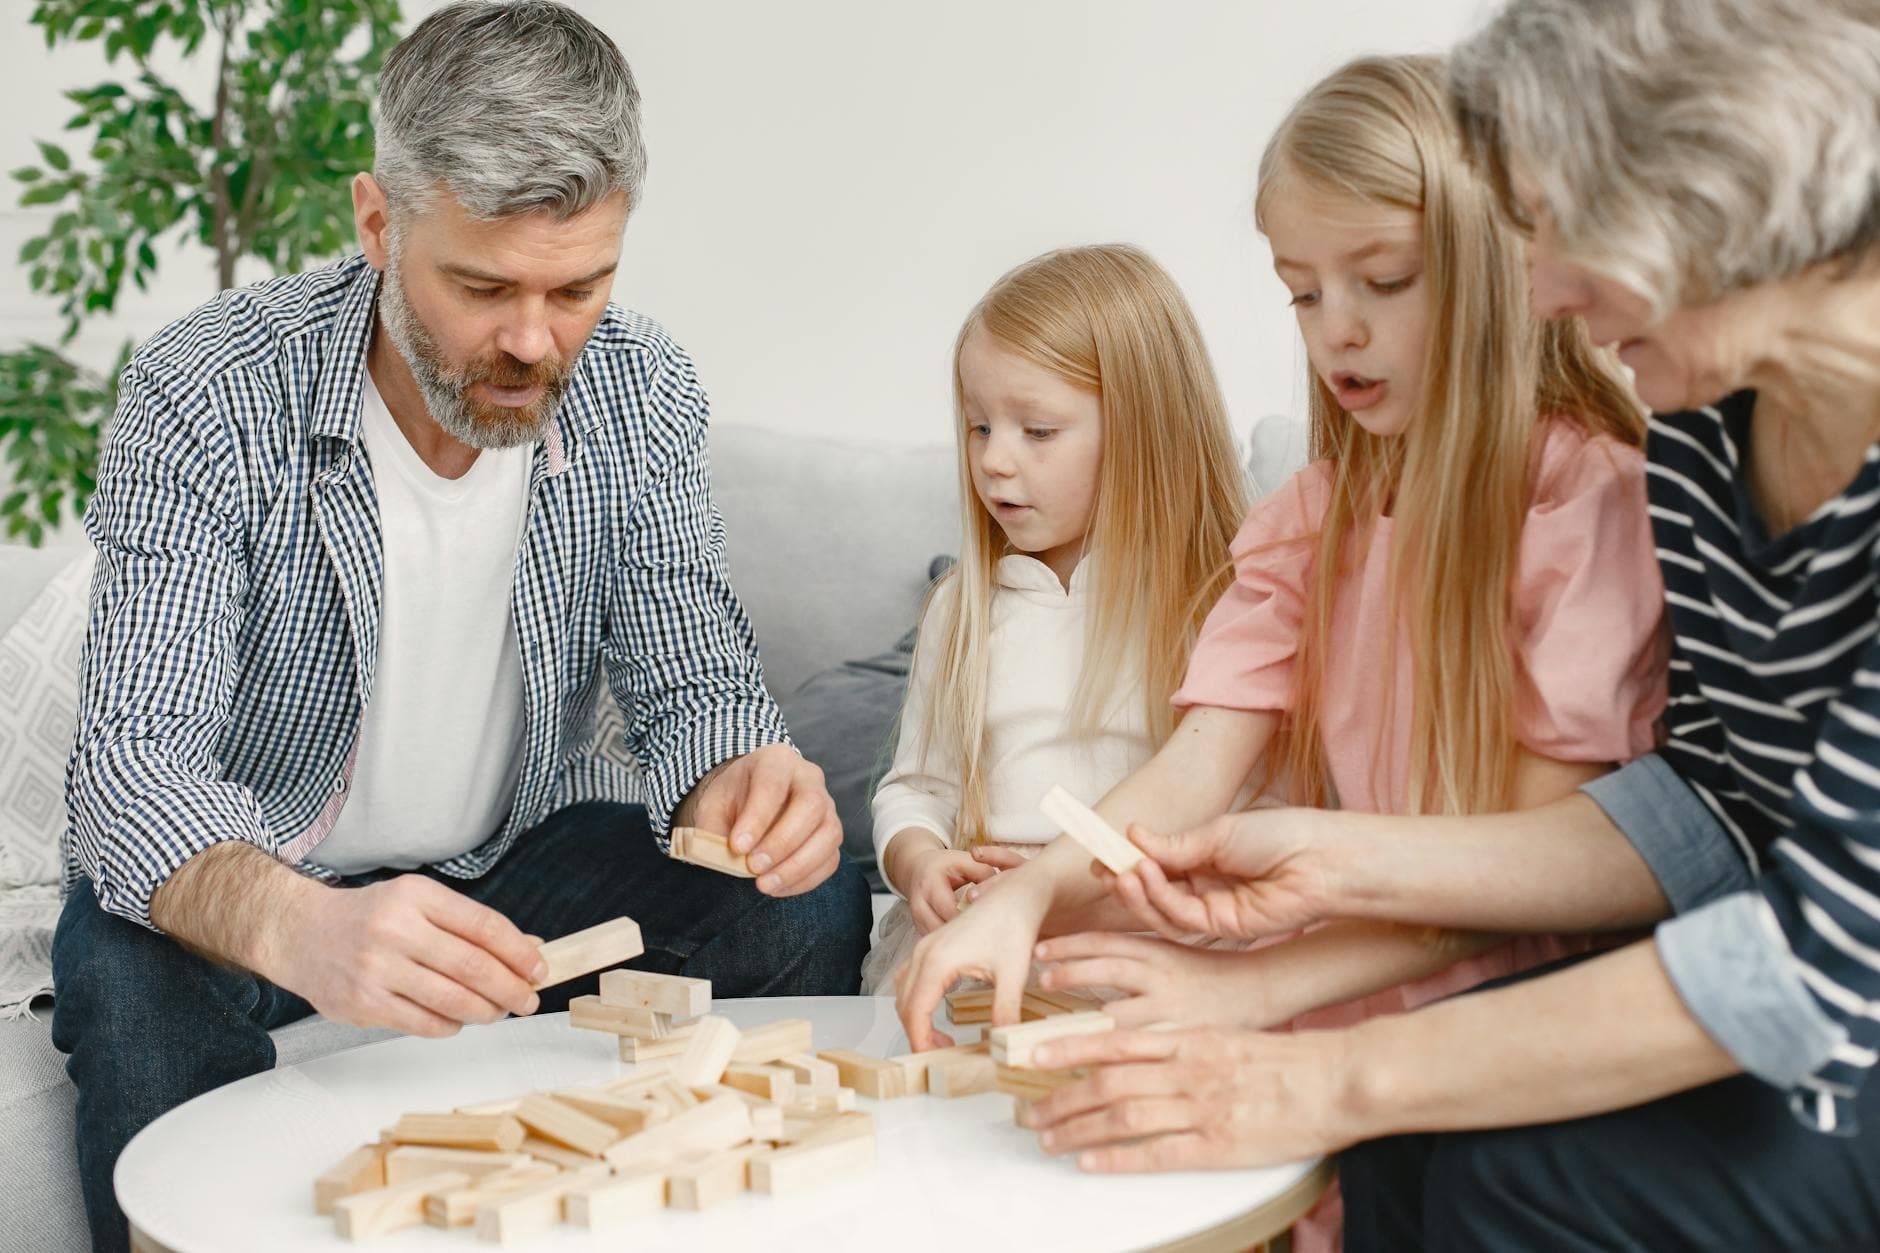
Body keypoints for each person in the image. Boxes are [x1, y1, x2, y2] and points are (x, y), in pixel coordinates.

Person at [1015, 3, 1880, 1249]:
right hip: (1798, 990)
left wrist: (1313, 1077)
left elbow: (1818, 965)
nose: (1534, 290)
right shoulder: (1701, 436)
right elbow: (1700, 815)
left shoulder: (1614, 466)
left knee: (1500, 1168)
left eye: (1559, 226)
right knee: (1427, 1142)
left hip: (1839, 1017)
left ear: (1719, 176)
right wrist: (1342, 856)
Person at [51, 4, 869, 1248]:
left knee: (802, 903)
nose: (534, 341)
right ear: (379, 224)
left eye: (578, 286)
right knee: (125, 970)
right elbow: (130, 764)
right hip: (274, 872)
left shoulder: (638, 385)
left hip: (511, 868)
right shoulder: (206, 388)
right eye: (482, 286)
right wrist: (297, 924)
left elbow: (692, 672)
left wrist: (735, 783)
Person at [895, 53, 1660, 1043]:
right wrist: (1029, 894)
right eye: (1300, 294)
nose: (1334, 330)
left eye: (1380, 281)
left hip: (1506, 1012)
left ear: (1502, 270)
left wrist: (1253, 987)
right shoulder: (1306, 521)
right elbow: (1191, 771)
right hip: (1329, 987)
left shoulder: (1583, 504)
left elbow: (1529, 874)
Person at [860, 243, 1249, 992]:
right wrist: (921, 862)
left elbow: (1258, 809)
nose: (995, 460)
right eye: (979, 427)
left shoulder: (1222, 604)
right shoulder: (962, 610)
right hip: (985, 939)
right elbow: (915, 788)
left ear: (1146, 432)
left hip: (1148, 935)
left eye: (1036, 431)